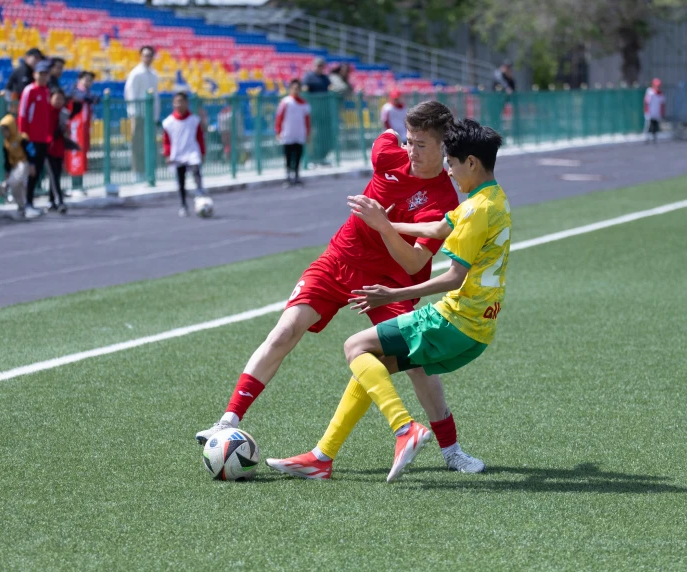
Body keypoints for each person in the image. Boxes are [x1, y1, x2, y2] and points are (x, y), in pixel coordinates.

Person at [195, 102, 486, 475]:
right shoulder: (388, 153)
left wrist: (383, 224)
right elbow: (386, 138)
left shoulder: (442, 199)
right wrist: (396, 140)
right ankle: (228, 421)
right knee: (285, 330)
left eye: (422, 145)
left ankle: (451, 451)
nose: (411, 151)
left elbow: (414, 263)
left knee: (418, 361)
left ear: (444, 147)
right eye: (410, 141)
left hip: (390, 281)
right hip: (337, 261)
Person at [267, 119, 509, 482]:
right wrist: (385, 222)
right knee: (373, 364)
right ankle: (322, 457)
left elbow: (454, 276)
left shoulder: (475, 211)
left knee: (355, 347)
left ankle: (404, 428)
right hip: (479, 327)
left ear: (472, 163)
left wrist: (393, 294)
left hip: (455, 320)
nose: (449, 170)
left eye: (453, 163)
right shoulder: (492, 199)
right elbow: (435, 228)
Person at [17, 59, 53, 219]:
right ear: (34, 74)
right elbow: (23, 114)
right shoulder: (29, 90)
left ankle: (29, 202)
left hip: (43, 139)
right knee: (29, 171)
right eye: (41, 74)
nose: (43, 77)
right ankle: (26, 204)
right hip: (31, 139)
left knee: (36, 172)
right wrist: (24, 136)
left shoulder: (46, 91)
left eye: (46, 74)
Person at [162, 92, 206, 217]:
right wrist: (167, 154)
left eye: (181, 101)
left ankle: (200, 195)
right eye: (176, 102)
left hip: (192, 152)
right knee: (181, 181)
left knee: (196, 173)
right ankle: (183, 205)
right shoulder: (168, 122)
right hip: (178, 153)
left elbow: (200, 138)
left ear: (187, 103)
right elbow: (166, 140)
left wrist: (202, 152)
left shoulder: (194, 120)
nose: (178, 104)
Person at [124, 46, 159, 178]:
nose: (147, 58)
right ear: (140, 56)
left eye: (150, 55)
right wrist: (134, 114)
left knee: (148, 144)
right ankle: (137, 171)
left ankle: (147, 170)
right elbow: (130, 94)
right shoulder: (136, 73)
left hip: (150, 115)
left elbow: (155, 96)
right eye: (145, 55)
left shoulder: (154, 74)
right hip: (139, 115)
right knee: (137, 143)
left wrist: (155, 115)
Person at [275, 79, 310, 188]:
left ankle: (296, 176)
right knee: (288, 156)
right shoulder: (285, 102)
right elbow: (279, 118)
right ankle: (288, 177)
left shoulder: (304, 104)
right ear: (290, 89)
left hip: (299, 133)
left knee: (298, 156)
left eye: (297, 88)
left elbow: (307, 120)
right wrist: (278, 131)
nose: (296, 90)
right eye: (294, 88)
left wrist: (308, 133)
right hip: (288, 133)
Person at [0, 114, 33, 208]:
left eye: (5, 130)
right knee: (16, 188)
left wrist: (32, 164)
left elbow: (31, 152)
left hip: (25, 163)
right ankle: (21, 206)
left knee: (18, 175)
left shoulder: (22, 138)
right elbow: (7, 159)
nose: (4, 133)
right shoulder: (7, 143)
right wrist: (7, 171)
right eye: (2, 131)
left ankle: (5, 187)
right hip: (15, 165)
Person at [46, 88, 72, 214]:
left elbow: (67, 131)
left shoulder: (64, 113)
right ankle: (60, 200)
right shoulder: (47, 112)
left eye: (61, 99)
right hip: (48, 147)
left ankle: (51, 201)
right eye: (56, 98)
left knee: (56, 174)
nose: (58, 101)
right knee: (53, 175)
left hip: (59, 147)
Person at [302, 57, 332, 166]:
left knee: (324, 135)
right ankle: (312, 157)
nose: (320, 68)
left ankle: (321, 157)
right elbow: (305, 90)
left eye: (321, 66)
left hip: (324, 112)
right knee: (314, 135)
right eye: (318, 66)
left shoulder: (325, 78)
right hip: (313, 111)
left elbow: (330, 88)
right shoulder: (309, 77)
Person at [5, 48, 44, 113]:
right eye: (36, 57)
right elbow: (23, 91)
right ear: (27, 57)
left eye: (40, 59)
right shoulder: (23, 70)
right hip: (15, 107)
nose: (38, 61)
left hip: (23, 107)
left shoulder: (33, 71)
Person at [643, 78, 666, 144]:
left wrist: (662, 112)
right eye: (656, 86)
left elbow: (663, 104)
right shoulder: (650, 92)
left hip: (656, 113)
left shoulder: (660, 94)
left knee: (655, 126)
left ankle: (654, 138)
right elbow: (646, 102)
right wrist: (646, 110)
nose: (658, 87)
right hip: (650, 112)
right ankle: (646, 138)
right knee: (648, 126)